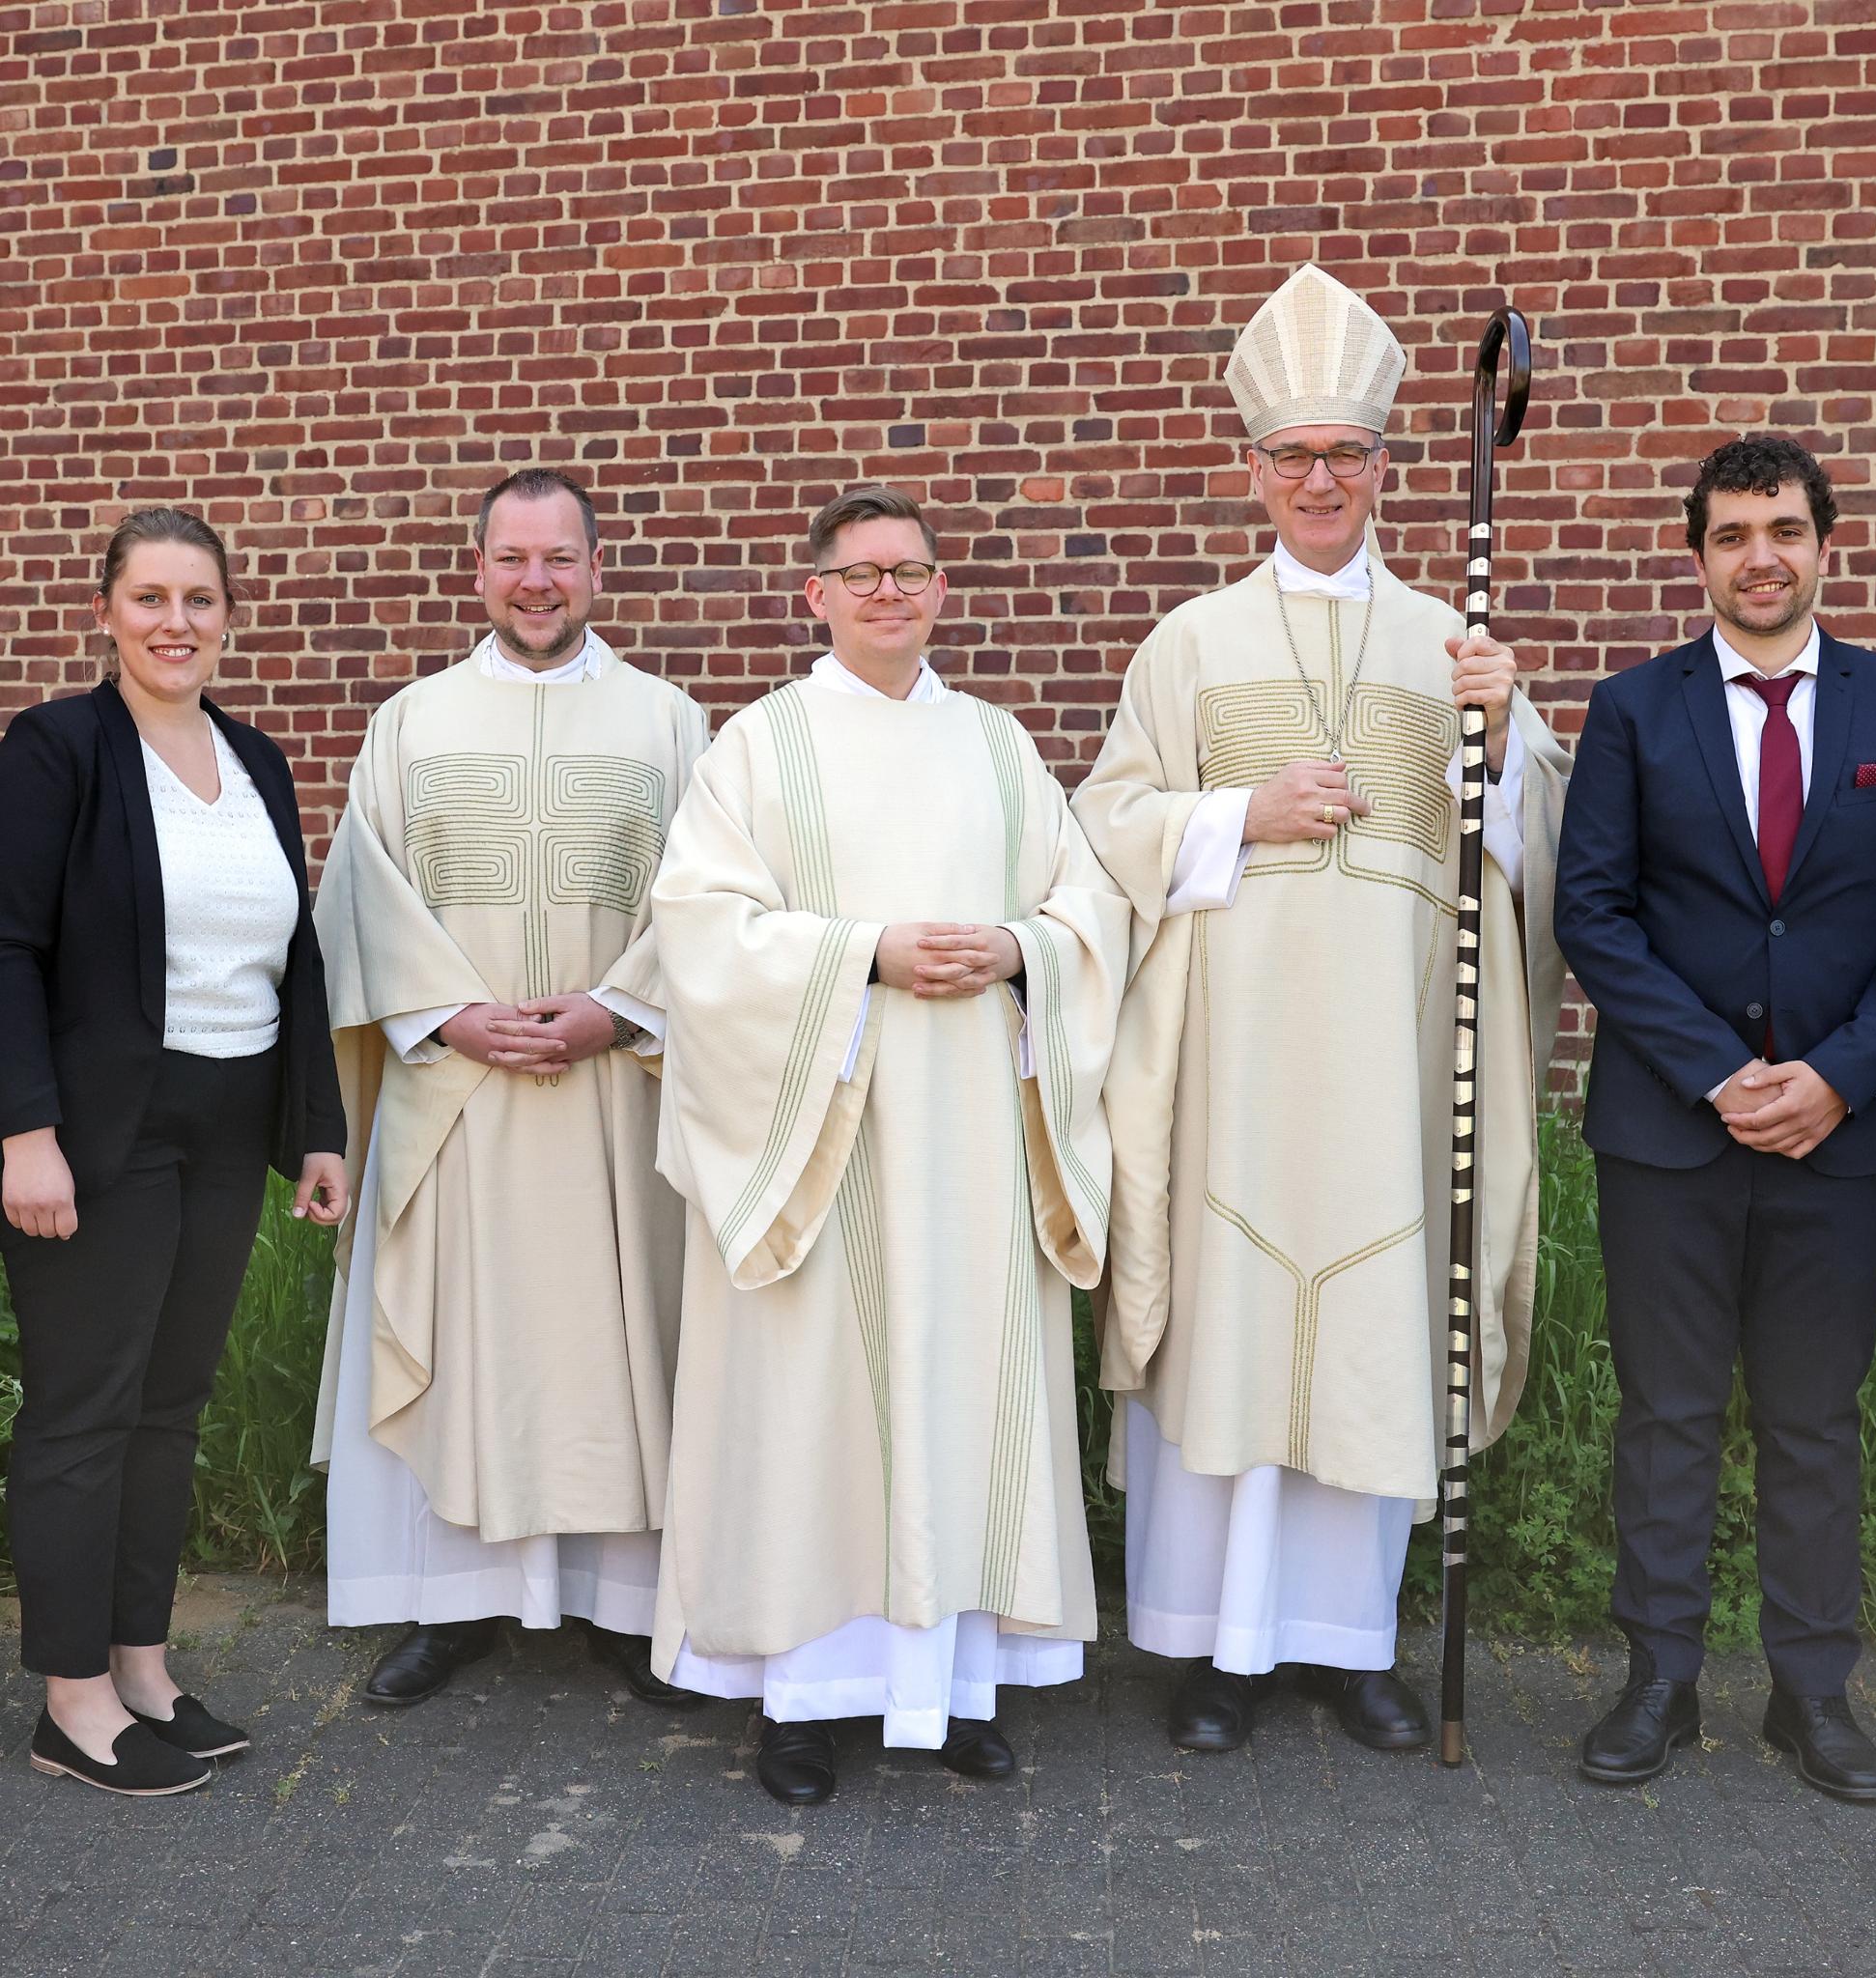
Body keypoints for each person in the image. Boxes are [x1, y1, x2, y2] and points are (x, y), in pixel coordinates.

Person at [1071, 264, 1571, 1755]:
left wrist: (1501, 737)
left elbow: (1539, 842)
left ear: (1383, 470)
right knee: (1230, 1318)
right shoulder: (1190, 644)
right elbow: (1106, 821)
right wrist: (1240, 809)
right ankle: (1215, 1653)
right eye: (1292, 457)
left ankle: (1351, 1644)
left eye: (1346, 456)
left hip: (1397, 1060)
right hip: (1230, 1058)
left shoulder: (1454, 645)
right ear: (1253, 473)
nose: (1319, 480)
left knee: (1376, 1324)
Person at [640, 485, 1127, 1805]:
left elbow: (1087, 909)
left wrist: (1023, 949)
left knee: (960, 1389)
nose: (889, 594)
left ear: (942, 590)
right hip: (822, 1135)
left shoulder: (997, 743)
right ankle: (801, 1700)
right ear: (816, 595)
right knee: (815, 1403)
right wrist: (868, 956)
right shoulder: (759, 746)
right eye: (860, 576)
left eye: (911, 572)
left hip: (970, 1123)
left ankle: (955, 1689)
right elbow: (700, 931)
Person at [1554, 435, 1876, 1801]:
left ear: (1824, 546)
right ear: (1697, 557)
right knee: (1667, 1414)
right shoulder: (1633, 710)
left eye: (1783, 530)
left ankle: (1812, 1694)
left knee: (1813, 1418)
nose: (1760, 556)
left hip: (1839, 1138)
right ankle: (1660, 1681)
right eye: (1732, 533)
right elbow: (1594, 915)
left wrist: (1841, 1077)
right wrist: (1717, 1073)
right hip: (1670, 1131)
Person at [311, 468, 707, 1710]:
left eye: (559, 557)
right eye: (512, 557)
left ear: (598, 566)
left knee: (615, 1341)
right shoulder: (412, 722)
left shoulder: (669, 723)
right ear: (476, 568)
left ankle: (623, 1603)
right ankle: (450, 1605)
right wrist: (446, 1011)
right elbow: (361, 892)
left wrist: (617, 1004)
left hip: (612, 1090)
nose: (536, 581)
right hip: (457, 1095)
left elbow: (714, 898)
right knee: (463, 1335)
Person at [0, 509, 348, 1795]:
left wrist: (314, 1125)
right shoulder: (57, 752)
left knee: (169, 1406)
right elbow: (7, 949)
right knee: (86, 1412)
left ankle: (142, 1668)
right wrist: (22, 1132)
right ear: (107, 611)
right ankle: (71, 1700)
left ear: (228, 617)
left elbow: (294, 950)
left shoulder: (255, 757)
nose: (175, 622)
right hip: (97, 1133)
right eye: (149, 596)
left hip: (222, 1120)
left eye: (198, 599)